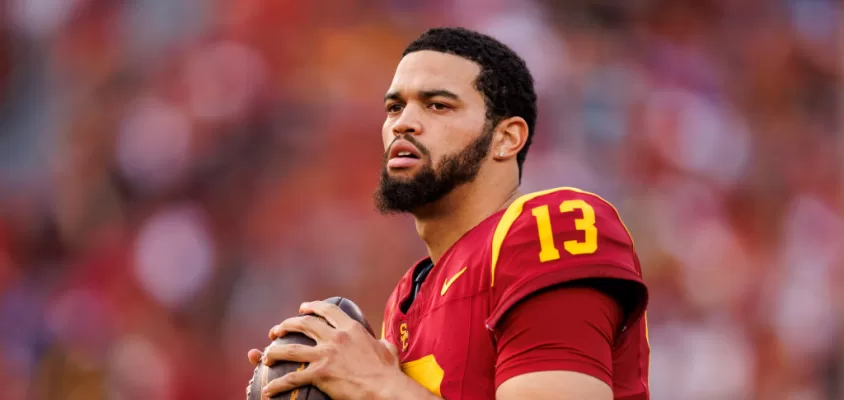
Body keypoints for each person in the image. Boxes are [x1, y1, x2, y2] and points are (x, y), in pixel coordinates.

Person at [248, 27, 650, 400]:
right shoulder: (406, 297)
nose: (404, 124)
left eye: (438, 105)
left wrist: (378, 384)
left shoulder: (553, 224)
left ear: (506, 139)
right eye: (393, 108)